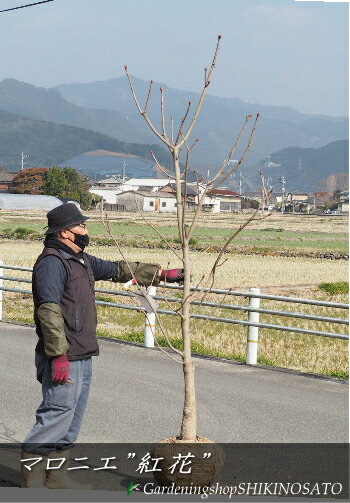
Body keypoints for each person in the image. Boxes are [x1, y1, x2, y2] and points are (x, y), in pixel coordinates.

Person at [21, 203, 184, 489]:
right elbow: (48, 310)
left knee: (71, 420)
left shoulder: (80, 259)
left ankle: (56, 477)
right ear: (64, 232)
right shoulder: (52, 263)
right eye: (81, 226)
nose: (86, 230)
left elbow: (118, 269)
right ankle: (32, 482)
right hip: (64, 354)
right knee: (55, 416)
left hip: (82, 351)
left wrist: (161, 274)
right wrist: (58, 354)